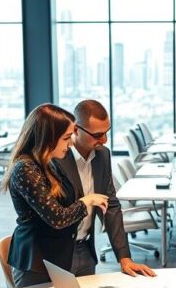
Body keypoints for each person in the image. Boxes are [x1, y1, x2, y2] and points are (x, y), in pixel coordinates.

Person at [3, 103, 109, 287]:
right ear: (48, 138)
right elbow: (57, 218)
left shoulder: (48, 163)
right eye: (66, 138)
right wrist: (87, 201)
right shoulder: (25, 168)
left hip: (56, 258)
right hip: (36, 263)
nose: (70, 144)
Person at [54, 100, 155, 278]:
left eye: (106, 133)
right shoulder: (57, 158)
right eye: (98, 135)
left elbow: (111, 206)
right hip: (55, 255)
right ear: (76, 130)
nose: (104, 140)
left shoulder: (102, 155)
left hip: (85, 250)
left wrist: (124, 257)